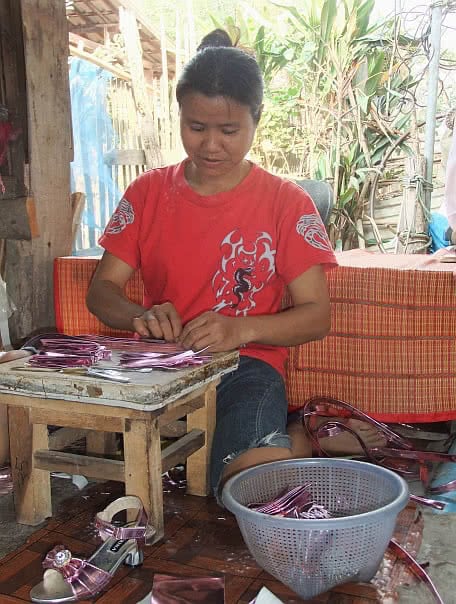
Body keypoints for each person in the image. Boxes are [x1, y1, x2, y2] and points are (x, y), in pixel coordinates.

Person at [86, 30, 337, 500]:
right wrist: (139, 317)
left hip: (245, 365)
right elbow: (102, 291)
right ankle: (288, 440)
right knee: (108, 473)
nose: (211, 146)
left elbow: (315, 315)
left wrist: (240, 330)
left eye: (229, 131)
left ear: (255, 122)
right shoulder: (147, 193)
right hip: (157, 362)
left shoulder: (287, 203)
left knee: (247, 486)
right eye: (196, 127)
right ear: (179, 116)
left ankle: (291, 440)